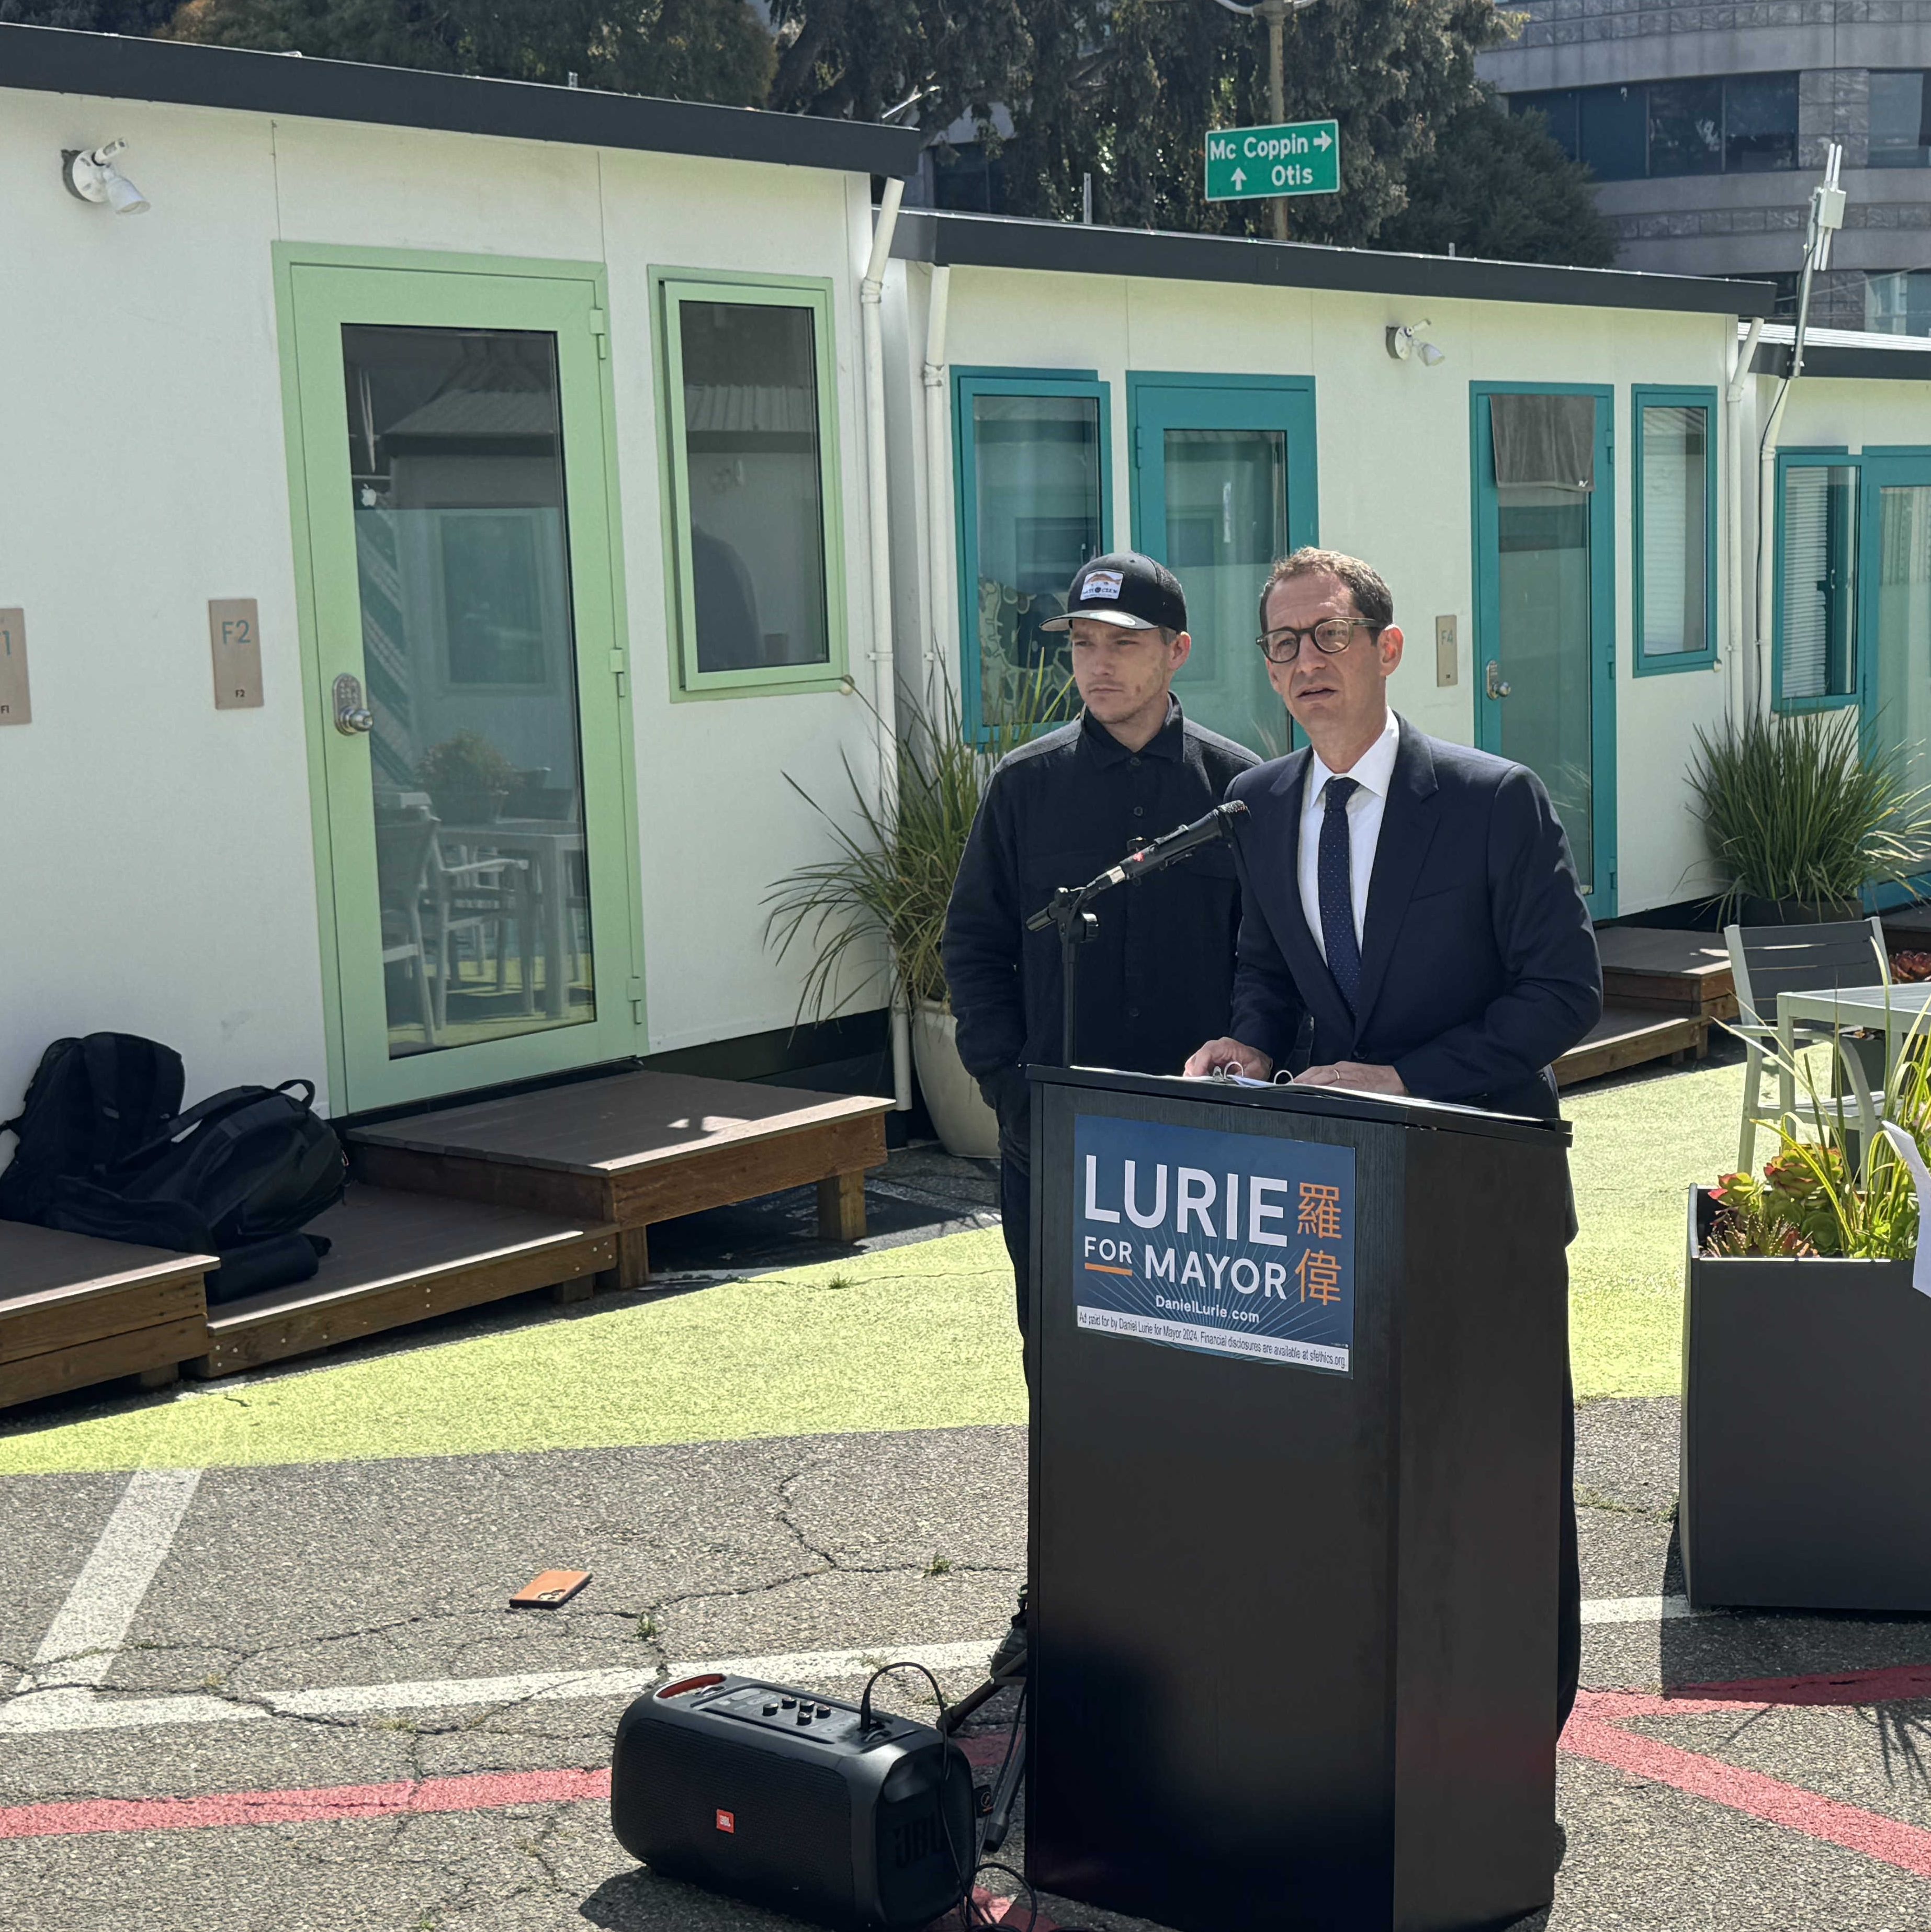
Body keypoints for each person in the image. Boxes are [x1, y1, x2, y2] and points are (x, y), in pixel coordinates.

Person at [1184, 545, 1600, 1732]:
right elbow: (1267, 966)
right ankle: (1375, 1716)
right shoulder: (1258, 805)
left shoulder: (1489, 798)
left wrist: (1406, 1078)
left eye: (1325, 636)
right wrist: (1251, 1045)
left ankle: (1523, 1726)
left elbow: (1559, 993)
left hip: (1486, 1197)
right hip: (1343, 1210)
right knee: (1362, 1479)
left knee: (1502, 1476)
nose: (1302, 664)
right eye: (1280, 644)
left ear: (1387, 647)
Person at [943, 550, 1259, 1677]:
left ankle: (1210, 1580)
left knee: (1208, 1370)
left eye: (1124, 643)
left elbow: (1271, 961)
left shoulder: (1238, 789)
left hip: (1201, 1151)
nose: (1098, 665)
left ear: (1177, 653)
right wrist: (1006, 1081)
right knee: (1066, 1369)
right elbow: (973, 946)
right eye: (1082, 644)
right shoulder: (1023, 788)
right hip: (1056, 1142)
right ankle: (1068, 1586)